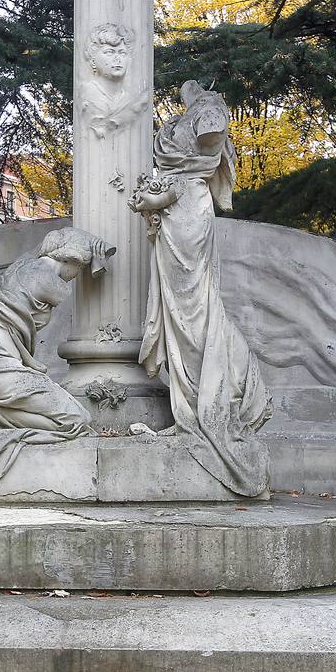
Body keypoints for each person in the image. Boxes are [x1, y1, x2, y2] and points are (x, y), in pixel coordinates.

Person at [129, 80, 273, 497]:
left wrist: (151, 199)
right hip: (178, 210)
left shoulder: (209, 111)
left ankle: (216, 394)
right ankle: (195, 401)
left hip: (188, 210)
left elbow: (200, 156)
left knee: (192, 307)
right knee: (183, 310)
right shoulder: (191, 115)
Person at [0, 228, 113, 498]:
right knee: (78, 420)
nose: (77, 276)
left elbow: (41, 251)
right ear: (71, 259)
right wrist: (94, 251)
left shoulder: (18, 270)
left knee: (70, 417)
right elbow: (71, 273)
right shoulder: (45, 279)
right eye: (79, 267)